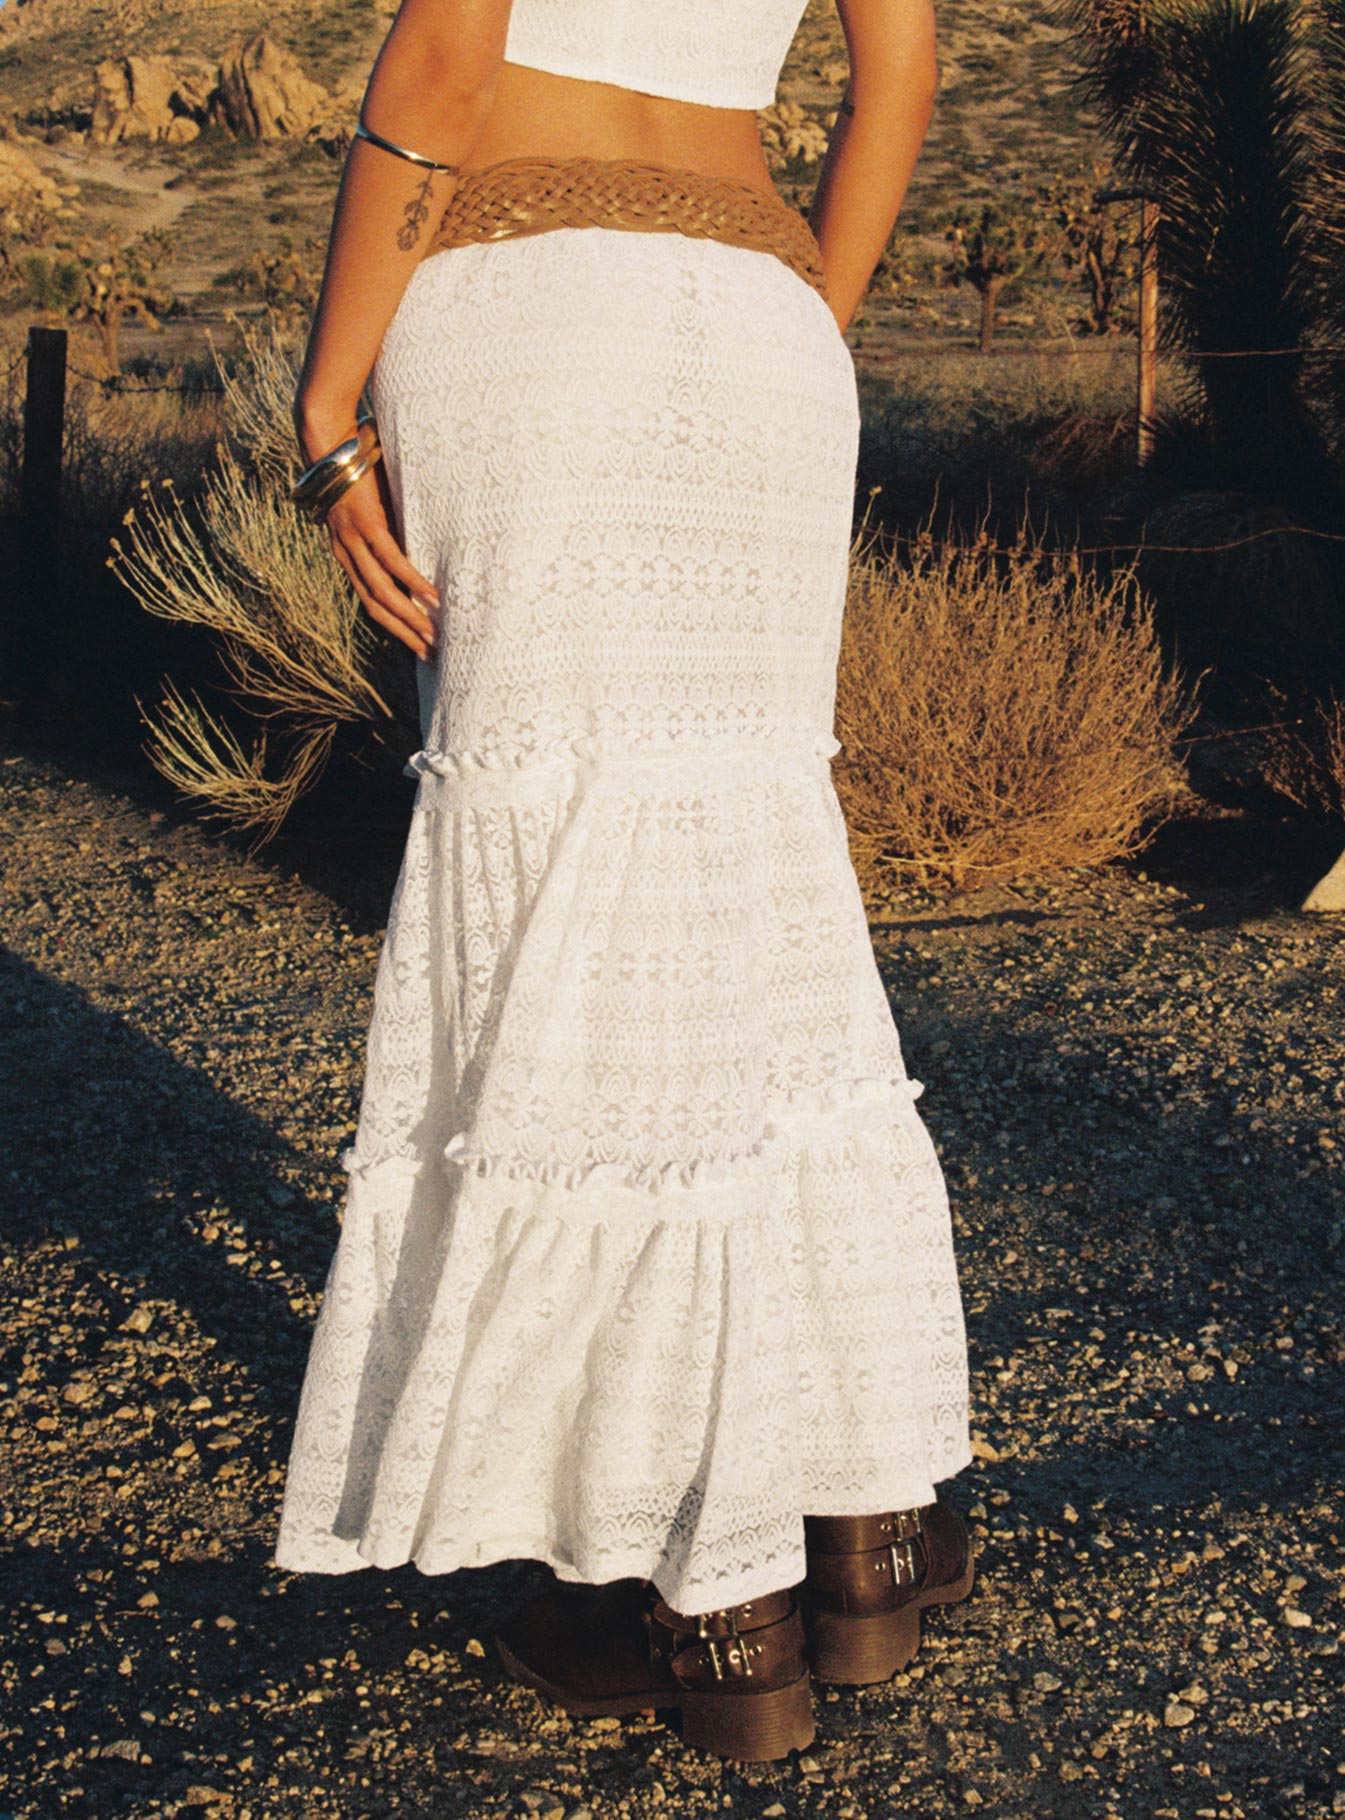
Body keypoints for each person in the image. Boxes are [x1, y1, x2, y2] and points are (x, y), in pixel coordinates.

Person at [274, 0, 973, 1763]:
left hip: (535, 302)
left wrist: (327, 395)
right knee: (753, 881)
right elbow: (899, 70)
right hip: (759, 314)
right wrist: (787, 315)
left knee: (583, 895)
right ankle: (861, 1533)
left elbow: (442, 65)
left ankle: (710, 1590)